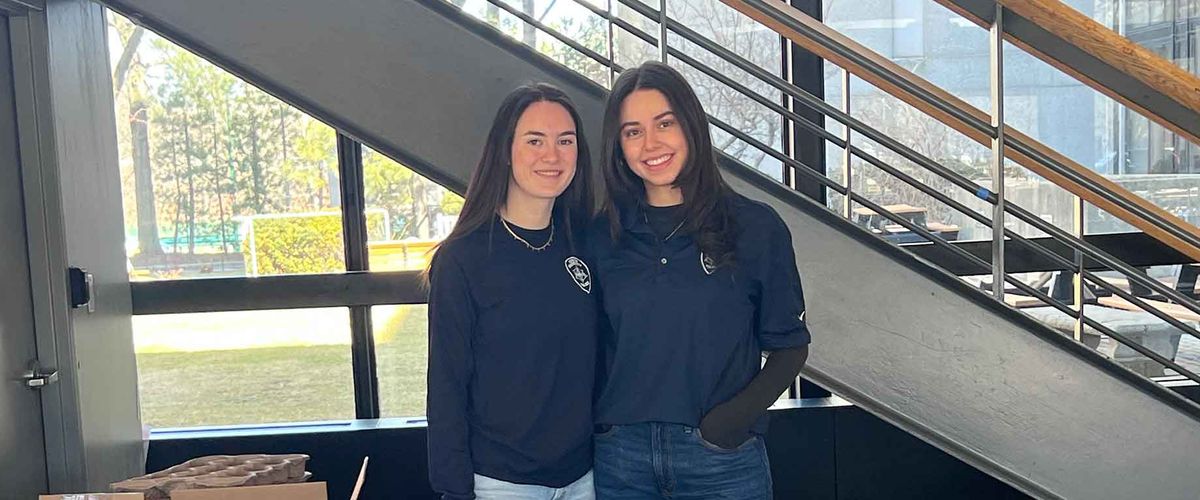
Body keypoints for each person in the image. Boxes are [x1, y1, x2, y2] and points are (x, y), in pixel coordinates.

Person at [590, 61, 811, 499]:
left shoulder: (754, 227)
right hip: (621, 460)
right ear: (619, 146)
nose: (651, 143)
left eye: (664, 123)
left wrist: (725, 425)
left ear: (691, 125)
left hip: (722, 462)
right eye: (633, 131)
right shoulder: (602, 236)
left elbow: (790, 346)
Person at [426, 83, 597, 500]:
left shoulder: (586, 244)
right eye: (534, 140)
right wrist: (454, 490)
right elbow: (446, 386)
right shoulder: (463, 259)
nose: (552, 155)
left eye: (565, 141)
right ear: (505, 150)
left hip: (584, 478)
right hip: (501, 483)